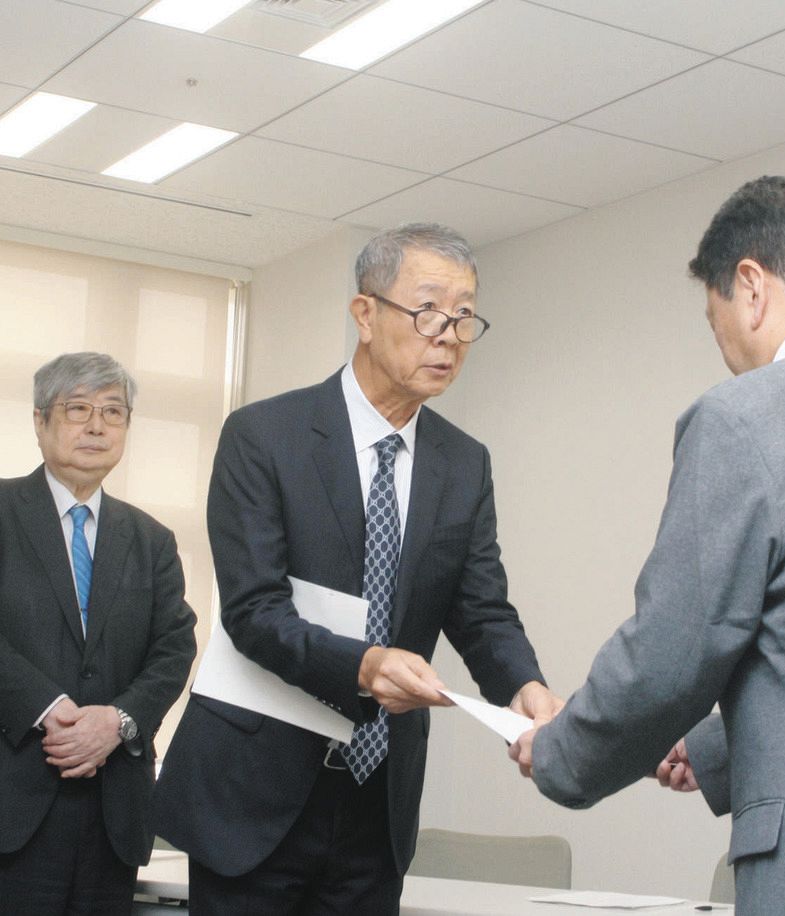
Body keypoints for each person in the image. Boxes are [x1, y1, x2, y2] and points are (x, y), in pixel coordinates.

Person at [510, 176, 785, 914]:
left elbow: (670, 658)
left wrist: (561, 752)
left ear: (752, 287)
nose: (727, 352)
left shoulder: (747, 417)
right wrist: (709, 750)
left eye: (716, 321)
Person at [153, 223, 562, 914]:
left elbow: (482, 609)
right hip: (255, 792)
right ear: (365, 315)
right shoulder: (264, 436)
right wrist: (365, 666)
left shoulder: (464, 463)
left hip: (377, 802)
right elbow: (254, 611)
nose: (448, 336)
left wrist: (525, 686)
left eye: (464, 316)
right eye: (428, 311)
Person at [0, 351, 197, 915]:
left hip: (112, 803)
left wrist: (116, 720)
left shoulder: (152, 540)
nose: (97, 426)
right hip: (2, 792)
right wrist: (51, 710)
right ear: (40, 420)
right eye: (78, 409)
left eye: (113, 412)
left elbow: (174, 648)